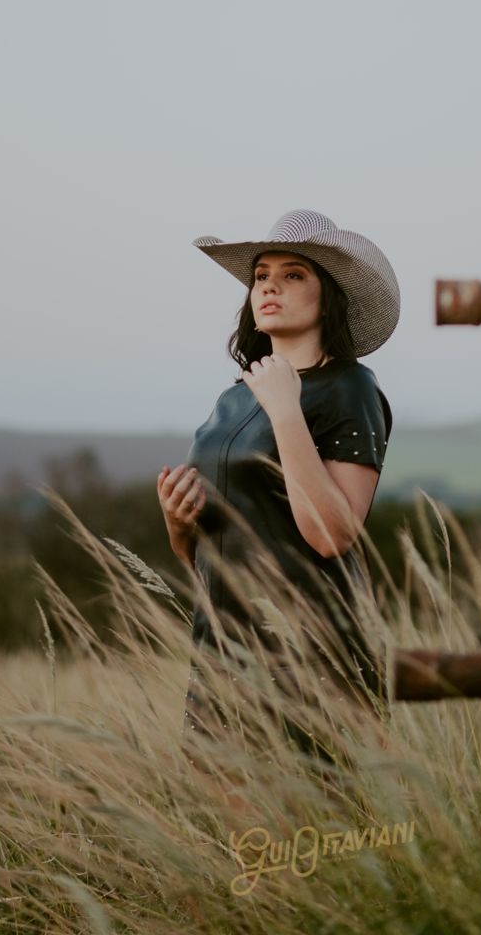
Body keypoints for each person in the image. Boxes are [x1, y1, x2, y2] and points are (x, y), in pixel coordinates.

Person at [157, 208, 399, 769]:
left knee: (312, 840)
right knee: (230, 843)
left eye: (294, 275)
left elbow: (333, 535)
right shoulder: (232, 399)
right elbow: (207, 554)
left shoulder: (350, 388)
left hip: (310, 654)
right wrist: (178, 522)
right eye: (262, 275)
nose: (269, 286)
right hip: (222, 648)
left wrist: (286, 409)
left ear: (329, 296)